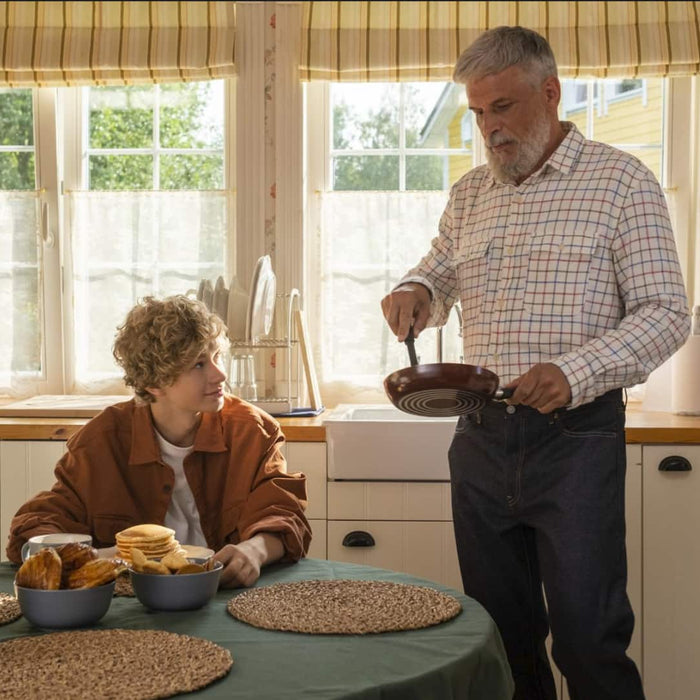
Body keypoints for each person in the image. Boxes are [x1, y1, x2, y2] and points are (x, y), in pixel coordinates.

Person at [381, 26, 689, 700]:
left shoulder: (621, 183)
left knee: (588, 640)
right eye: (478, 112)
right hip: (480, 439)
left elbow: (667, 312)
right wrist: (415, 292)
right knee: (498, 639)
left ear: (550, 93)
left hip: (575, 441)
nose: (489, 129)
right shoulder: (470, 195)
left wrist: (574, 372)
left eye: (504, 107)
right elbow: (436, 275)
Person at [7, 295, 311, 588]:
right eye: (199, 364)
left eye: (217, 357)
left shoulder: (253, 431)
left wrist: (254, 551)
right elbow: (36, 527)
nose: (220, 375)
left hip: (228, 596)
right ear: (154, 381)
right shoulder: (100, 442)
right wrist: (100, 558)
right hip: (131, 607)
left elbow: (284, 514)